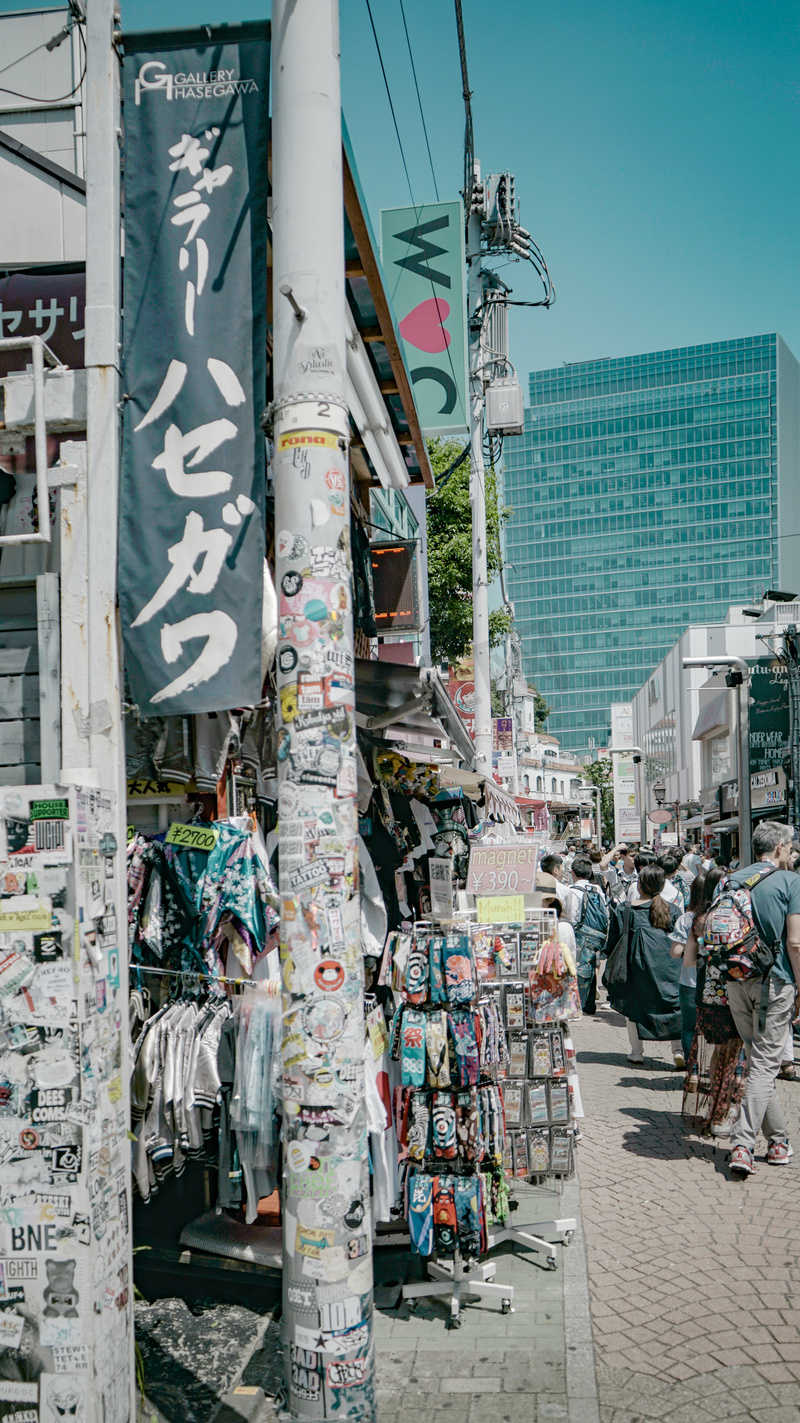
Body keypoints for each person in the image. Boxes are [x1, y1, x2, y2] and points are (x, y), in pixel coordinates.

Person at [721, 823, 800, 1175]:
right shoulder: (789, 882)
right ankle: (743, 1145)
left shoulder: (731, 880)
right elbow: (796, 942)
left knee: (759, 1064)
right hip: (774, 980)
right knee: (765, 1065)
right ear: (781, 847)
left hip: (735, 979)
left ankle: (779, 1140)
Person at [682, 866, 746, 1138]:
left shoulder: (699, 920)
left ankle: (716, 1111)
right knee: (733, 1055)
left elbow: (687, 960)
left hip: (709, 996)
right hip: (738, 988)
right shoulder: (743, 914)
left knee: (718, 1053)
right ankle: (722, 1112)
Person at [603, 863, 683, 1069]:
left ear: (639, 885)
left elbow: (612, 942)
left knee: (633, 1007)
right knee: (673, 1006)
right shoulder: (672, 910)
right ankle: (678, 1051)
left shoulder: (625, 909)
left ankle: (637, 1053)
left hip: (635, 968)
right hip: (668, 967)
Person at [563, 853, 610, 1011]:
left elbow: (572, 914)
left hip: (579, 934)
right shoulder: (596, 889)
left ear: (573, 873)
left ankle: (577, 1004)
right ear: (590, 874)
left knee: (576, 967)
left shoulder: (570, 890)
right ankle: (589, 1003)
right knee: (591, 967)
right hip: (596, 935)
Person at [669, 871, 706, 1062]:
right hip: (717, 984)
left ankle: (693, 1070)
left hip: (689, 981)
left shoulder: (686, 918)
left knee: (689, 1027)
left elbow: (675, 952)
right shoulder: (722, 915)